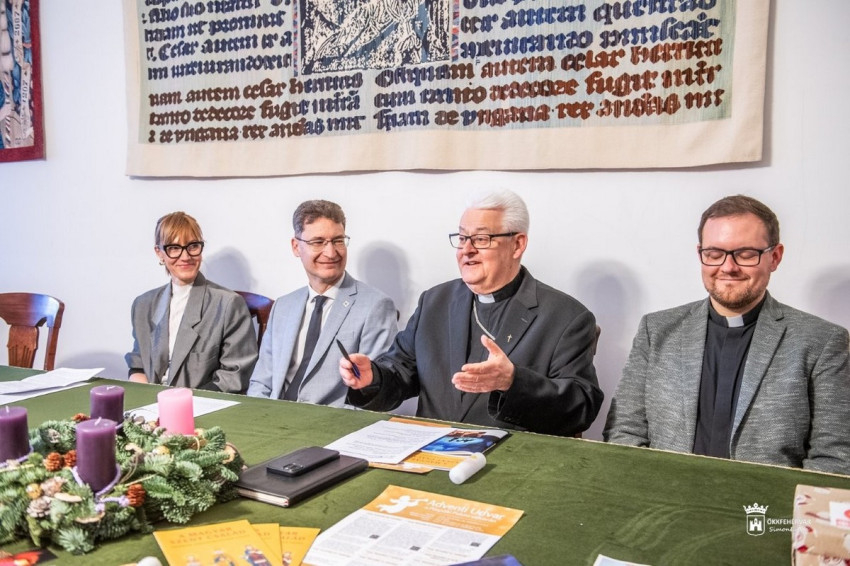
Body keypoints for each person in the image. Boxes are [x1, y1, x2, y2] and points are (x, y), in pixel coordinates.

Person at [604, 195, 850, 474]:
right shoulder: (657, 330)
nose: (728, 267)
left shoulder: (821, 341)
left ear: (775, 257)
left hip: (766, 501)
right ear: (700, 254)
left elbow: (834, 457)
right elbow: (624, 432)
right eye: (714, 254)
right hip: (664, 495)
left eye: (746, 254)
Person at [339, 189, 603, 436]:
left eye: (481, 239)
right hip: (431, 452)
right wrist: (373, 377)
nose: (467, 250)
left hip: (511, 458)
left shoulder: (566, 317)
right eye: (463, 238)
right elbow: (401, 370)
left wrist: (513, 382)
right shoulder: (435, 301)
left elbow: (582, 408)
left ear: (517, 244)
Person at [247, 200, 398, 406]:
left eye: (338, 241)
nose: (331, 252)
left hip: (332, 421)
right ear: (296, 247)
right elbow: (261, 382)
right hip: (272, 415)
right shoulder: (283, 306)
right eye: (318, 242)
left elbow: (371, 396)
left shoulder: (376, 306)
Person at [125, 212, 258, 392]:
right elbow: (138, 365)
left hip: (201, 403)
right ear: (159, 253)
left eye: (193, 246)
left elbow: (234, 376)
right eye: (174, 248)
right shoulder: (143, 305)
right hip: (152, 401)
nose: (186, 256)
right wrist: (146, 398)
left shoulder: (229, 304)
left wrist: (179, 401)